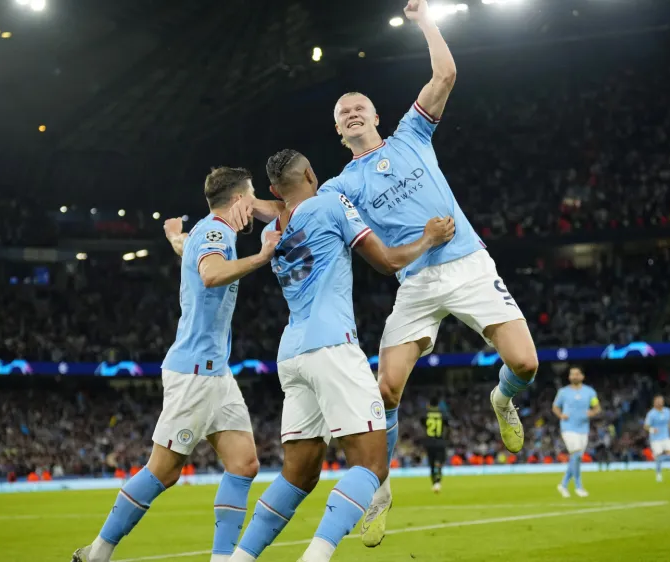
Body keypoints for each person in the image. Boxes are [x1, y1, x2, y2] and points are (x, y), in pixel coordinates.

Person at [237, 0, 539, 545]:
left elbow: (445, 73)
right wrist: (245, 208)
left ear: (376, 115)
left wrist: (425, 18)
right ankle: (378, 488)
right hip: (416, 283)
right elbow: (290, 207)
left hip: (468, 264)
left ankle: (502, 397)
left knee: (525, 362)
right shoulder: (337, 187)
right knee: (387, 388)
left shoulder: (411, 136)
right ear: (337, 130)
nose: (353, 113)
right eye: (343, 111)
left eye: (360, 106)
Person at [227, 149, 453, 562]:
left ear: (276, 190)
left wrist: (250, 202)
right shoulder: (331, 203)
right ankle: (315, 557)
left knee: (298, 475)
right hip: (332, 345)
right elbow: (386, 261)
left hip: (292, 355)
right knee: (371, 465)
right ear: (312, 172)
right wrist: (428, 239)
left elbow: (278, 206)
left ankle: (238, 559)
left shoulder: (273, 230)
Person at [72, 167, 280, 562]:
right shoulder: (218, 233)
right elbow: (211, 272)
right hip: (195, 372)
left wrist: (172, 237)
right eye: (250, 199)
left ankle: (222, 558)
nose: (253, 208)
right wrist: (262, 256)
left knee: (245, 463)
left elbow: (191, 251)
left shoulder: (208, 231)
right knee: (163, 472)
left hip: (216, 371)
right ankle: (98, 552)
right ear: (237, 200)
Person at [552, 366, 600, 498]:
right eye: (572, 374)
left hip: (583, 428)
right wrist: (561, 415)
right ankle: (579, 486)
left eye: (577, 374)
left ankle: (563, 484)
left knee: (577, 457)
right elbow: (555, 406)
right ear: (569, 377)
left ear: (582, 376)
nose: (575, 376)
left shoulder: (589, 392)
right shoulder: (563, 392)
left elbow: (596, 407)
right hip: (568, 427)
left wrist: (592, 412)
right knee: (577, 454)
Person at [644, 395, 670, 482]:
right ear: (654, 402)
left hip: (665, 437)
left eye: (661, 401)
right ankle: (658, 474)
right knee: (658, 455)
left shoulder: (667, 411)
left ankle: (657, 458)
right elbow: (646, 426)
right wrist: (652, 429)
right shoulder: (651, 414)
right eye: (658, 401)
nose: (659, 402)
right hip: (655, 439)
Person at [422, 396, 449, 493]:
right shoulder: (443, 414)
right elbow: (448, 426)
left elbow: (423, 425)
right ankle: (438, 482)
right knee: (439, 462)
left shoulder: (425, 414)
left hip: (429, 442)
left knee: (432, 464)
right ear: (438, 404)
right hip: (440, 441)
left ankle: (434, 483)